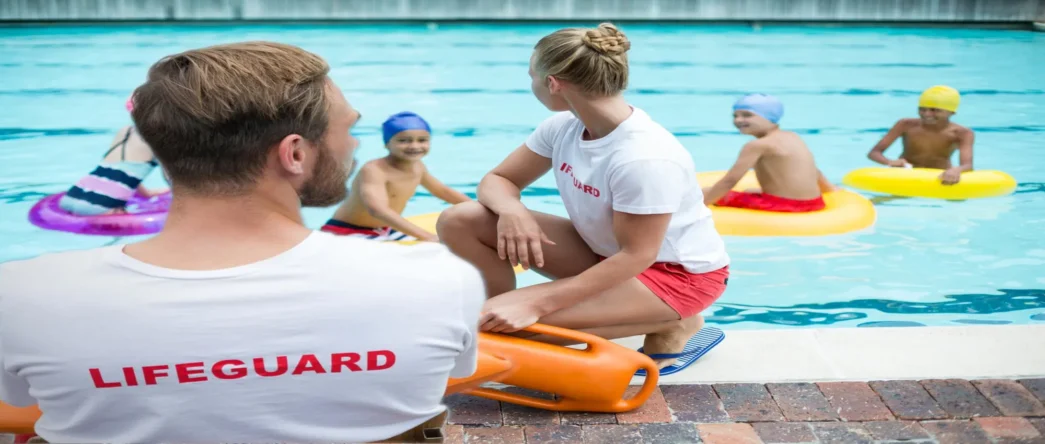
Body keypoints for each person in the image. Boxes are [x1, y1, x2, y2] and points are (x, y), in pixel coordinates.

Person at [0, 42, 484, 443]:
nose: (355, 145)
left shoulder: (23, 295)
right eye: (349, 129)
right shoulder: (435, 278)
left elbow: (19, 404)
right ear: (294, 153)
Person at [436, 23, 730, 370]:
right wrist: (513, 211)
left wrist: (539, 303)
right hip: (607, 256)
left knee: (491, 338)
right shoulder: (565, 126)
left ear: (553, 83)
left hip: (674, 277)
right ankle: (503, 310)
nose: (531, 84)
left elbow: (638, 255)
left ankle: (674, 320)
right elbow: (499, 179)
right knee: (461, 219)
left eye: (531, 76)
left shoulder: (643, 157)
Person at [322, 111, 471, 241]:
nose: (414, 146)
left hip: (384, 230)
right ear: (387, 143)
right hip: (347, 231)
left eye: (422, 140)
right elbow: (378, 210)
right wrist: (428, 236)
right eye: (403, 140)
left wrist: (477, 207)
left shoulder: (418, 167)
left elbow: (442, 191)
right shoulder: (374, 170)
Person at [702, 94, 836, 213]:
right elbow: (814, 170)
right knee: (749, 191)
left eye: (747, 115)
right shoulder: (793, 136)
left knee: (704, 192)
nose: (738, 120)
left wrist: (705, 204)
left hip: (784, 205)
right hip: (814, 203)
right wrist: (830, 189)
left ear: (770, 117)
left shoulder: (757, 145)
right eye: (735, 116)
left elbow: (730, 181)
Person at [57, 96, 169, 216]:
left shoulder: (125, 131)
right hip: (102, 205)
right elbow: (174, 181)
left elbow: (121, 171)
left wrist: (146, 193)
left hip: (72, 196)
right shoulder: (160, 141)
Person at [866, 85, 975, 185]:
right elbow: (874, 153)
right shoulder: (905, 124)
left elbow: (967, 165)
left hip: (939, 176)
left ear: (951, 112)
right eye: (922, 109)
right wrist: (889, 162)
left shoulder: (962, 133)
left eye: (934, 110)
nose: (927, 114)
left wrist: (956, 170)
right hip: (906, 174)